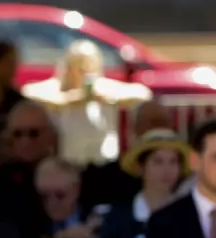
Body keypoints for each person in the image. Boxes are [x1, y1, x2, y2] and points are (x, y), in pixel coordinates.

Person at [22, 40, 152, 165]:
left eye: (89, 67)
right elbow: (27, 92)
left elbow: (144, 93)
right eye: (79, 67)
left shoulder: (103, 87)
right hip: (69, 163)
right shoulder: (58, 87)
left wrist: (108, 97)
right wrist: (70, 99)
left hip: (103, 164)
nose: (84, 73)